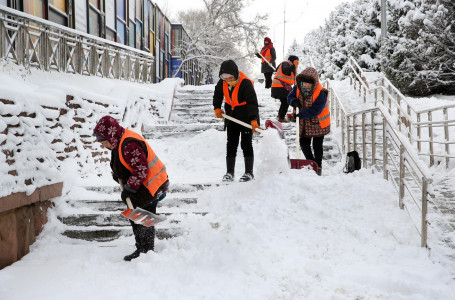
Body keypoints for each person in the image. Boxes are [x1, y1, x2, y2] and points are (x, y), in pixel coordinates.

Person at [93, 116, 169, 261]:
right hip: (143, 184)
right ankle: (142, 249)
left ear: (111, 135)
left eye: (104, 142)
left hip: (152, 184)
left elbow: (141, 169)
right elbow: (125, 164)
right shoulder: (118, 142)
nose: (104, 145)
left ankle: (146, 253)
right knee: (137, 217)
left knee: (142, 217)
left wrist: (130, 188)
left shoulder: (129, 144)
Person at [213, 60, 261, 182]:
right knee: (231, 144)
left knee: (246, 144)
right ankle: (229, 173)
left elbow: (252, 103)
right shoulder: (222, 83)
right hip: (231, 116)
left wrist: (254, 120)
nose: (228, 80)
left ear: (236, 74)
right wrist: (217, 107)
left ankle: (249, 173)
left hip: (247, 116)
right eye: (225, 78)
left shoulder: (245, 83)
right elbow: (217, 94)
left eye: (230, 77)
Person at [287, 67, 330, 175]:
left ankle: (318, 166)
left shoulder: (321, 92)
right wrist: (294, 101)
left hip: (319, 123)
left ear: (314, 83)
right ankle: (311, 162)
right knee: (303, 143)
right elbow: (290, 97)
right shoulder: (297, 88)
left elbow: (316, 110)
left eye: (308, 84)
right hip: (304, 122)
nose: (305, 85)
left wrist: (302, 114)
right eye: (304, 83)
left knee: (317, 145)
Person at [271, 55, 299, 123]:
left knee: (284, 102)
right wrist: (293, 66)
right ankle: (281, 117)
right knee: (286, 101)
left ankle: (280, 116)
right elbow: (286, 70)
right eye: (296, 61)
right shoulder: (285, 64)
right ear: (293, 61)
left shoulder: (288, 65)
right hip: (279, 86)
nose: (297, 63)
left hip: (280, 86)